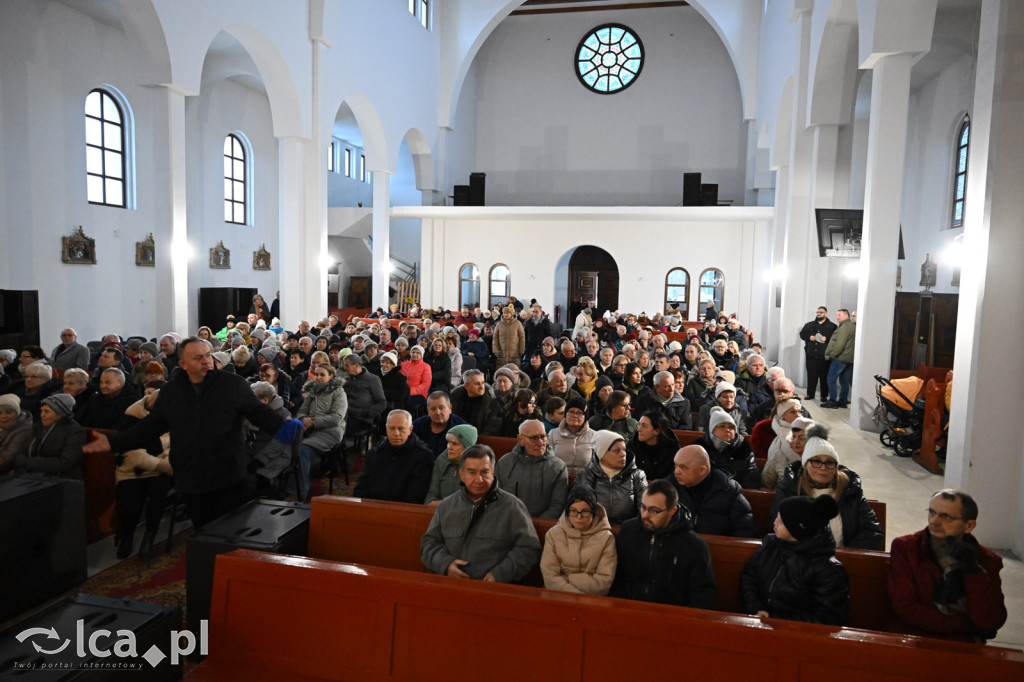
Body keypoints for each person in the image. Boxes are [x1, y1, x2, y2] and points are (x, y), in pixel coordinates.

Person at [83, 337, 300, 529]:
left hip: (228, 473)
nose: (206, 361)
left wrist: (284, 426)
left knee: (232, 534)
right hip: (191, 476)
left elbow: (258, 413)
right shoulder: (171, 392)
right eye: (198, 358)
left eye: (207, 355)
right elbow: (148, 429)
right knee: (204, 533)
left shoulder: (232, 385)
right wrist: (113, 443)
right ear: (182, 364)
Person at [888, 489, 1007, 642]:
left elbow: (990, 621)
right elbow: (906, 608)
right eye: (932, 512)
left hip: (963, 646)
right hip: (912, 638)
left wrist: (973, 571)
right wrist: (968, 625)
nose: (934, 521)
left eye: (946, 517)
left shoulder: (987, 560)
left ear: (969, 525)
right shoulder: (906, 547)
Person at [421, 444, 541, 583]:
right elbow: (429, 545)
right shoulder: (446, 506)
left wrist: (500, 574)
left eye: (484, 472)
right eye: (472, 472)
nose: (479, 480)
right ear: (462, 474)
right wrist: (446, 565)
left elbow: (528, 548)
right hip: (451, 585)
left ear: (493, 472)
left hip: (495, 590)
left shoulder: (512, 506)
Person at [769, 424, 883, 550]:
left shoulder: (850, 489)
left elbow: (872, 530)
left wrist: (847, 556)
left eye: (829, 462)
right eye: (816, 461)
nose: (823, 468)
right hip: (802, 558)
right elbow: (778, 527)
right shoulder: (790, 487)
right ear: (805, 464)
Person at [740, 495, 849, 625]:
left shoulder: (828, 569)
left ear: (798, 528)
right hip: (759, 620)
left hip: (797, 635)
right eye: (777, 517)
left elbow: (826, 618)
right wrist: (756, 608)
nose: (774, 523)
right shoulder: (770, 544)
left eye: (781, 522)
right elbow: (749, 577)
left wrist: (773, 620)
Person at [610, 479, 717, 609]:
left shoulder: (694, 545)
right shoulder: (628, 530)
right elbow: (617, 578)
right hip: (629, 610)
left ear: (672, 511)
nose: (645, 515)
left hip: (672, 617)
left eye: (654, 510)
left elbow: (703, 595)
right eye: (643, 507)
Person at [115, 386, 173, 560]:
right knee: (130, 504)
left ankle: (149, 536)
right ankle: (127, 536)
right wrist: (165, 466)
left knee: (158, 496)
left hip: (160, 471)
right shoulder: (131, 418)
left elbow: (176, 448)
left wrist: (168, 465)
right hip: (132, 470)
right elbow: (136, 456)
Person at [540, 485, 617, 595]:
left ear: (593, 512)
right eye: (573, 511)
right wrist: (575, 596)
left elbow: (603, 583)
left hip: (592, 600)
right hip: (556, 595)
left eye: (585, 511)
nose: (579, 517)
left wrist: (569, 578)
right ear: (567, 511)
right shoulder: (553, 534)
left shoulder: (607, 538)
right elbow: (549, 577)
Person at [668, 444, 756, 538]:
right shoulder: (668, 488)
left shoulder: (728, 490)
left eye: (683, 467)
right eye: (675, 465)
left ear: (702, 470)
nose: (676, 472)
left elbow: (745, 529)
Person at [353, 409, 434, 503]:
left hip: (404, 511)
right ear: (386, 428)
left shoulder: (423, 456)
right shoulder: (374, 454)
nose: (396, 433)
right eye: (392, 428)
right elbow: (362, 485)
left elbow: (417, 494)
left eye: (401, 429)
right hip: (374, 507)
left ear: (410, 429)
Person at [293, 362, 348, 500]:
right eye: (316, 374)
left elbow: (337, 418)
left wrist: (312, 422)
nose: (318, 377)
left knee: (302, 451)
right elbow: (300, 411)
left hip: (330, 432)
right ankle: (290, 485)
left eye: (322, 375)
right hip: (309, 430)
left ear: (331, 376)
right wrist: (303, 419)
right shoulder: (312, 391)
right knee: (288, 447)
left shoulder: (339, 392)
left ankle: (300, 492)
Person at [495, 419, 568, 519]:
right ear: (520, 440)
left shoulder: (558, 467)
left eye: (543, 436)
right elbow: (495, 498)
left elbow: (557, 505)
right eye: (533, 438)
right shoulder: (505, 462)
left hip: (539, 527)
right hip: (506, 523)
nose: (540, 443)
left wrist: (534, 526)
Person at [573, 430, 647, 525]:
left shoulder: (637, 475)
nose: (623, 454)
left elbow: (644, 508)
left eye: (624, 449)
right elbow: (580, 508)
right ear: (602, 455)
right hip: (594, 528)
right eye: (617, 450)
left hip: (627, 528)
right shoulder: (586, 475)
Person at [12, 393, 86, 478]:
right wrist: (21, 463)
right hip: (33, 474)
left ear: (60, 414)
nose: (42, 415)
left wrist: (28, 462)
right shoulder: (38, 426)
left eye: (46, 411)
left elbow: (65, 462)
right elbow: (22, 450)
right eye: (42, 411)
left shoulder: (75, 432)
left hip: (61, 479)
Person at [693, 407, 760, 488]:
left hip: (735, 493)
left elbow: (752, 476)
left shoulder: (743, 448)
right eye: (722, 426)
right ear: (712, 429)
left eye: (731, 427)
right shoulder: (700, 447)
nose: (727, 430)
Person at [424, 424, 478, 504]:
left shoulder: (478, 467)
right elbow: (431, 493)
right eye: (448, 442)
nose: (449, 447)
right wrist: (430, 502)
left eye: (455, 444)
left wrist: (443, 504)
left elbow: (472, 502)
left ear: (467, 448)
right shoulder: (442, 460)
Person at [548, 397, 597, 475]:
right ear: (565, 414)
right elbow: (548, 460)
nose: (575, 415)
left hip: (585, 480)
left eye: (580, 413)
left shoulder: (594, 436)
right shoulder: (553, 434)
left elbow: (597, 465)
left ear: (585, 417)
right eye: (571, 411)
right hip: (557, 478)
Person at [762, 416, 813, 491]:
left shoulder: (818, 460)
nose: (796, 441)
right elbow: (766, 484)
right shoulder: (779, 455)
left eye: (801, 438)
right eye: (793, 436)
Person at [448, 369, 503, 435]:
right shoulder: (455, 400)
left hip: (480, 441)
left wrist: (479, 439)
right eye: (477, 384)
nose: (481, 387)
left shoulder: (491, 403)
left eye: (483, 383)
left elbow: (494, 426)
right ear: (467, 386)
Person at [629, 410, 680, 482]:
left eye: (644, 426)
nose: (639, 429)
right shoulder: (633, 444)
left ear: (656, 431)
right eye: (639, 424)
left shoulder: (672, 446)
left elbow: (673, 475)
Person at [799, 307, 837, 402]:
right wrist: (809, 337)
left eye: (821, 312)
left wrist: (827, 339)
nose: (819, 314)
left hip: (824, 356)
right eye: (817, 312)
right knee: (811, 376)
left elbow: (836, 339)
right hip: (811, 355)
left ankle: (824, 396)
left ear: (826, 314)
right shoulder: (809, 325)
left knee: (824, 377)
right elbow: (802, 334)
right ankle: (810, 394)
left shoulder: (833, 326)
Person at [341, 354, 386, 434]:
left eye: (346, 365)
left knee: (338, 428)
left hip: (362, 419)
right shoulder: (346, 379)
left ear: (356, 365)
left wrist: (365, 413)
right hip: (344, 415)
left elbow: (382, 403)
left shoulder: (373, 379)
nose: (344, 368)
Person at [412, 391, 467, 456]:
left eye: (441, 408)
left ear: (450, 408)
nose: (437, 412)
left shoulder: (462, 428)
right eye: (433, 409)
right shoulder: (417, 426)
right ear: (428, 411)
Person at [822, 309, 855, 408]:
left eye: (839, 315)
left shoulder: (844, 327)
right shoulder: (851, 326)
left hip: (840, 358)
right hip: (848, 358)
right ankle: (842, 401)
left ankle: (832, 402)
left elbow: (839, 345)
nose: (837, 317)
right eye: (837, 315)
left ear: (846, 316)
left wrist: (832, 355)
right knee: (844, 381)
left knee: (831, 379)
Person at [0, 395, 34, 474]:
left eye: (8, 412)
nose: (3, 416)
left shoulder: (25, 431)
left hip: (9, 472)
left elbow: (7, 458)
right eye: (0, 413)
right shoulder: (3, 426)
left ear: (17, 413)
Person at [400, 344, 432, 410]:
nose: (414, 354)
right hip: (402, 391)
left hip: (419, 394)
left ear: (422, 355)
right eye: (413, 352)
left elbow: (425, 385)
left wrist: (409, 391)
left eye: (418, 353)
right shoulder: (403, 364)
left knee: (407, 404)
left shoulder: (426, 367)